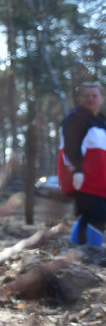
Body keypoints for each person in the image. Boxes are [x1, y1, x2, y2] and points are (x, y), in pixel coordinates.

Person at [58, 82, 106, 246]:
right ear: (80, 98)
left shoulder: (101, 121)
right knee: (99, 215)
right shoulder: (76, 118)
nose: (90, 99)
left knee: (88, 216)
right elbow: (71, 146)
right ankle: (92, 252)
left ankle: (76, 250)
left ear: (101, 99)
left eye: (94, 96)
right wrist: (77, 171)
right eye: (87, 96)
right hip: (84, 179)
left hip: (100, 180)